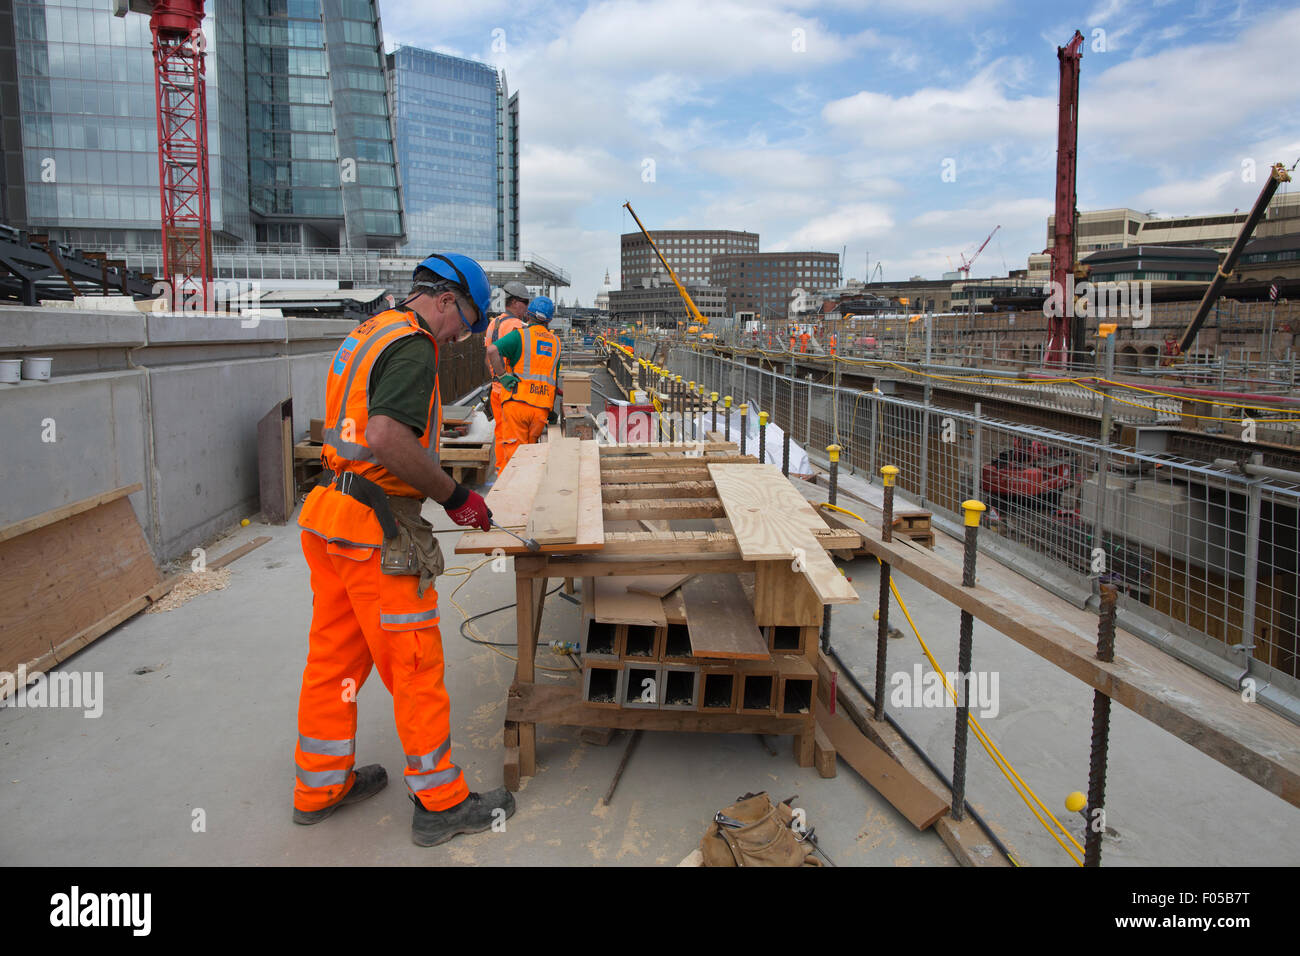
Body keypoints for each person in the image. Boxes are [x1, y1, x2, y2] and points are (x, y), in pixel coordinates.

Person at [293, 252, 517, 848]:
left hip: (330, 517)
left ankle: (319, 787)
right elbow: (387, 437)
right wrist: (455, 497)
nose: (459, 336)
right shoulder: (414, 344)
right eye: (463, 322)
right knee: (414, 665)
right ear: (445, 300)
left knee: (334, 663)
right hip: (377, 531)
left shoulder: (368, 332)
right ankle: (441, 802)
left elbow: (358, 431)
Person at [486, 295, 560, 473]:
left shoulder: (520, 335)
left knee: (513, 460)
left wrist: (502, 376)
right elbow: (553, 378)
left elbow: (492, 350)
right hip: (540, 409)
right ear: (549, 320)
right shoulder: (556, 342)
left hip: (516, 404)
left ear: (528, 315)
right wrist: (550, 408)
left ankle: (507, 489)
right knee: (529, 456)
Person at [484, 282, 530, 477]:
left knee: (501, 432)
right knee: (514, 436)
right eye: (525, 303)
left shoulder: (493, 324)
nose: (527, 308)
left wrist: (497, 377)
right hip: (510, 390)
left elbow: (488, 357)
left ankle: (500, 472)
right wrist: (505, 377)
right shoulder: (518, 327)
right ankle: (512, 476)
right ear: (515, 302)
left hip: (496, 388)